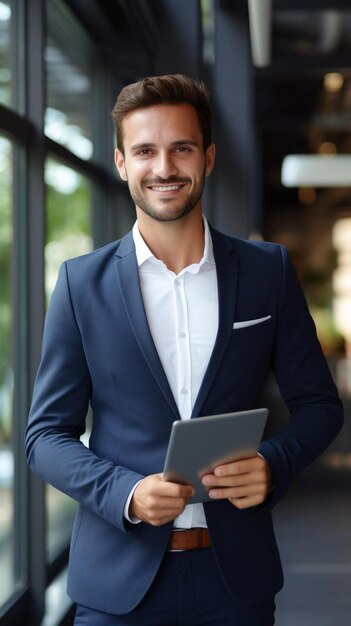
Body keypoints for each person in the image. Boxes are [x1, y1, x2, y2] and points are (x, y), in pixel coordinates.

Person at [25, 74, 343, 626]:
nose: (165, 168)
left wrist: (273, 462)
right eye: (146, 150)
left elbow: (320, 405)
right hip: (116, 587)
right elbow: (44, 436)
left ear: (209, 157)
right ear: (123, 163)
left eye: (181, 148)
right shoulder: (81, 284)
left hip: (235, 582)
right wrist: (125, 492)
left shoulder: (268, 272)